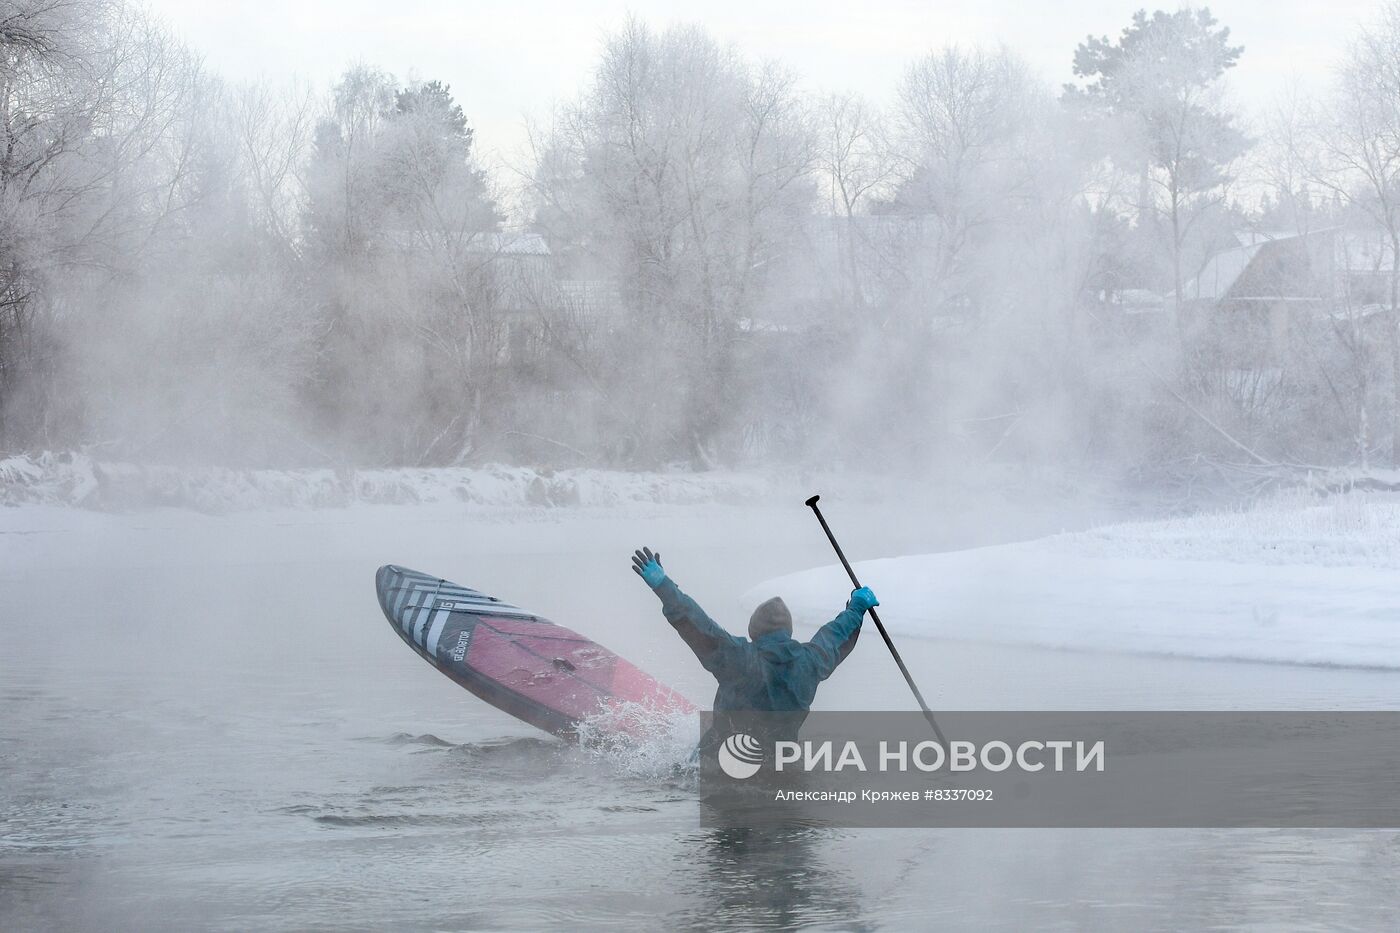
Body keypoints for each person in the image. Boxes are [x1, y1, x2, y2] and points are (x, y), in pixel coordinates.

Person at [630, 546, 878, 742]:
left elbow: (700, 625)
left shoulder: (739, 659)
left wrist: (664, 587)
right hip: (780, 766)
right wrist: (856, 607)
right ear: (789, 631)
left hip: (726, 762)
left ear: (753, 631)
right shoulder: (810, 662)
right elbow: (835, 637)